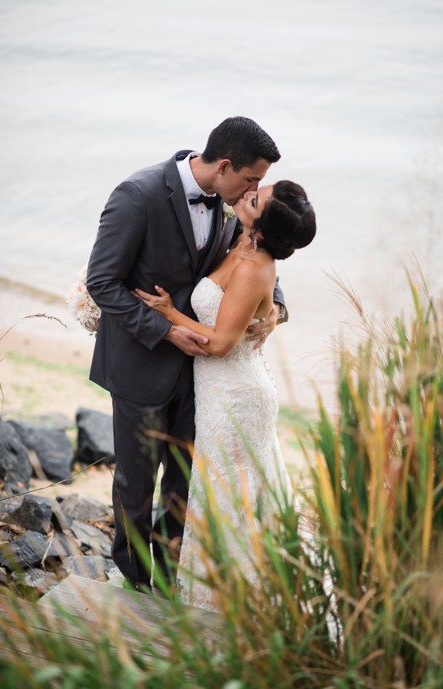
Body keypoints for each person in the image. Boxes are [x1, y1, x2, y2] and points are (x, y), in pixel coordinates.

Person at [86, 116, 284, 593]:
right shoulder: (138, 195)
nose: (255, 190)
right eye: (252, 180)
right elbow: (102, 282)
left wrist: (275, 306)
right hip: (141, 364)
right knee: (135, 485)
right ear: (226, 166)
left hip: (203, 376)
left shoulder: (233, 202)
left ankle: (175, 580)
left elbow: (258, 254)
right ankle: (135, 583)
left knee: (184, 483)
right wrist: (165, 330)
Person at [134, 180, 316, 608]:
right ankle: (213, 592)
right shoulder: (241, 238)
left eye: (255, 198)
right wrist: (274, 310)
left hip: (236, 395)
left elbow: (220, 344)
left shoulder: (256, 266)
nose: (248, 192)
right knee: (224, 494)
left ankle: (230, 603)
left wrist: (170, 314)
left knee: (229, 497)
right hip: (222, 389)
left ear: (262, 225)